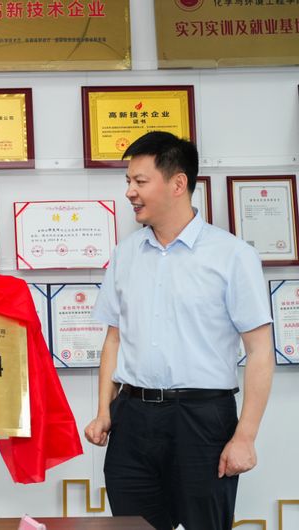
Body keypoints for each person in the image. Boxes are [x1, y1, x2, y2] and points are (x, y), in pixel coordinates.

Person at [84, 131, 273, 530]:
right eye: (128, 181)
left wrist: (245, 437)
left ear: (178, 183)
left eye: (140, 181)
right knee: (133, 525)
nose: (130, 192)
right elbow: (114, 338)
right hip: (132, 417)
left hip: (202, 419)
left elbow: (260, 351)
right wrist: (104, 411)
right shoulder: (125, 254)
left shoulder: (232, 256)